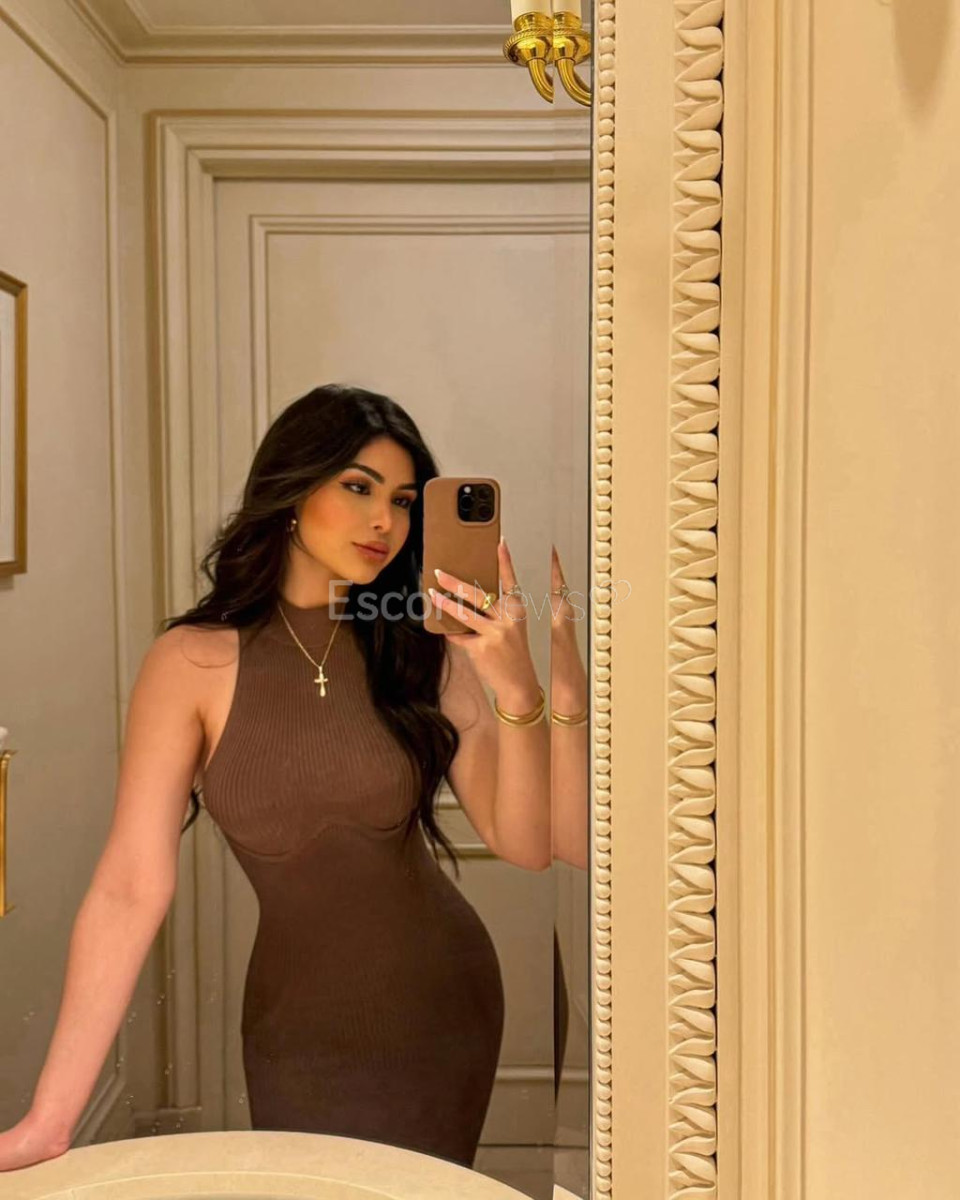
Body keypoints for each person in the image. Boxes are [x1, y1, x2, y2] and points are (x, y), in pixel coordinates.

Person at [0, 384, 552, 1174]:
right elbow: (128, 887)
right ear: (292, 491)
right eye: (357, 487)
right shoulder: (190, 662)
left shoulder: (421, 648)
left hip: (441, 1004)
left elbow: (524, 842)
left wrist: (519, 692)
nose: (384, 522)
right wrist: (49, 1123)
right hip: (294, 1026)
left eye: (402, 501)